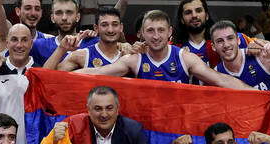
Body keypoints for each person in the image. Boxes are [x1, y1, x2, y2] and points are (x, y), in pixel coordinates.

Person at [77, 10, 252, 90]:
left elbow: (220, 80)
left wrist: (258, 94)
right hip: (148, 127)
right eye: (150, 31)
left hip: (179, 127)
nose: (156, 36)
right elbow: (97, 72)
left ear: (169, 32)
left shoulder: (184, 58)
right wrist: (52, 75)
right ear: (142, 34)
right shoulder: (135, 59)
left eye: (161, 30)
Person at [46, 7, 127, 71]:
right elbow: (46, 76)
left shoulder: (128, 53)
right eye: (104, 25)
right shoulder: (81, 55)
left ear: (121, 27)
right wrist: (61, 49)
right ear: (96, 28)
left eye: (115, 24)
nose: (110, 30)